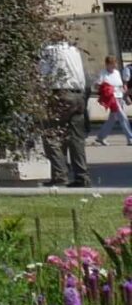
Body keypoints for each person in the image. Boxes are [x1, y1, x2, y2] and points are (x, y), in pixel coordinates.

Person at [41, 28, 92, 187]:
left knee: (52, 135)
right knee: (76, 138)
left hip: (60, 94)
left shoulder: (49, 51)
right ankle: (81, 176)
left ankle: (60, 176)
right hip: (78, 95)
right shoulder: (74, 50)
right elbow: (86, 77)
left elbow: (43, 75)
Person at [99, 60, 129, 148]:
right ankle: (130, 137)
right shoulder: (103, 73)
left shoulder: (116, 72)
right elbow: (99, 84)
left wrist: (124, 93)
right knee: (122, 116)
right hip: (111, 97)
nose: (114, 66)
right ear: (107, 64)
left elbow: (120, 84)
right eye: (112, 64)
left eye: (115, 64)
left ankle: (101, 136)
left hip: (119, 96)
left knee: (113, 118)